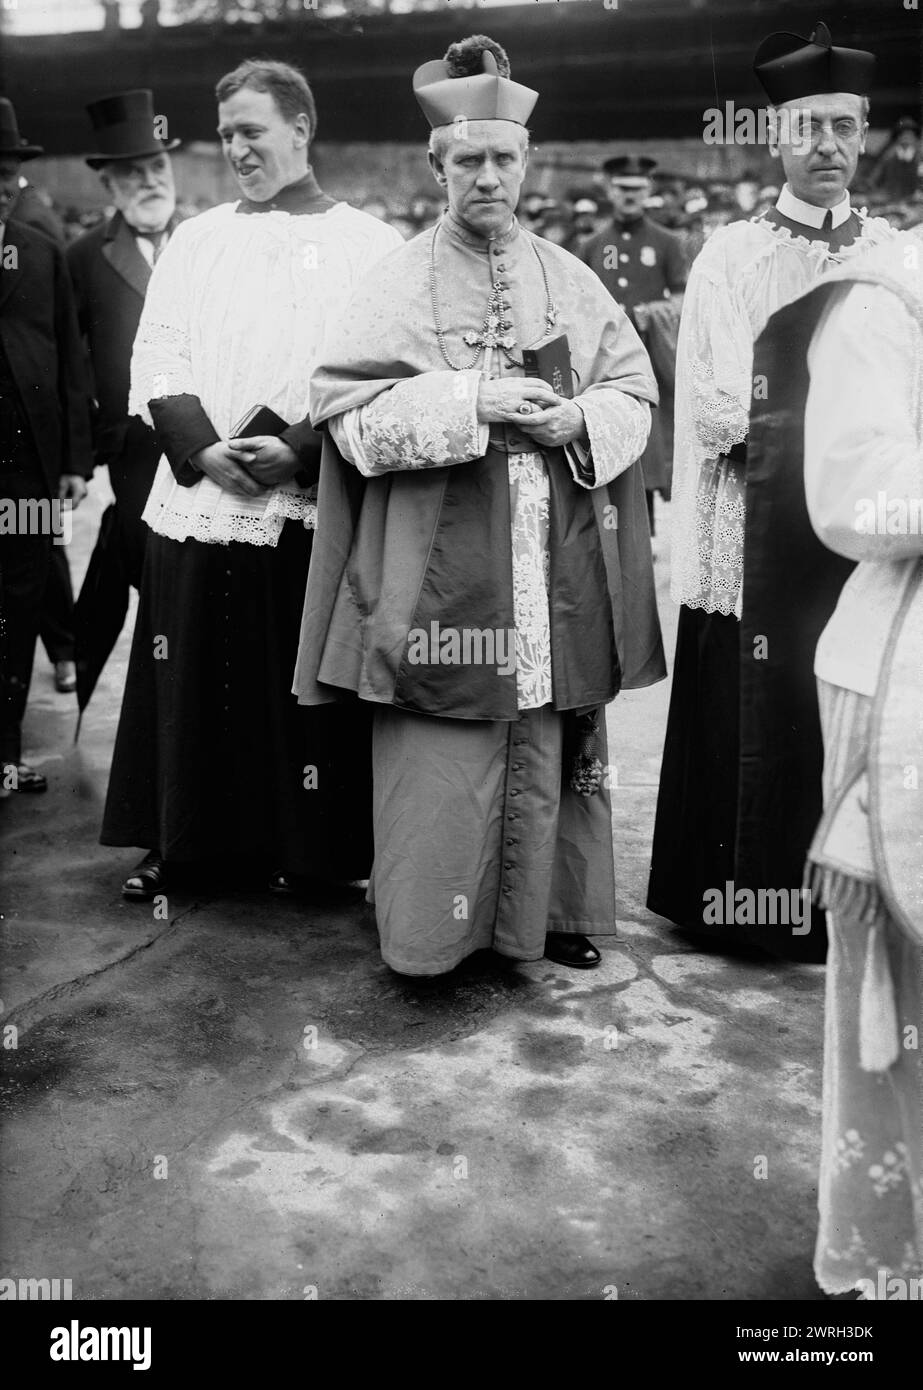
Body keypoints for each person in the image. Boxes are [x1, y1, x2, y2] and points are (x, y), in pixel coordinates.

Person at [294, 35, 664, 978]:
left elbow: (636, 394)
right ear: (437, 166)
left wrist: (576, 417)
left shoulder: (570, 277)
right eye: (469, 160)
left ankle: (552, 912)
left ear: (527, 162)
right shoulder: (392, 281)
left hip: (552, 561)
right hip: (439, 573)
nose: (487, 177)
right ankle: (433, 934)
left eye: (503, 158)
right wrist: (472, 402)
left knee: (551, 728)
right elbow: (346, 420)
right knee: (443, 749)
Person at [100, 60, 401, 899]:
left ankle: (306, 852)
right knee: (189, 669)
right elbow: (157, 350)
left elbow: (380, 374)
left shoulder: (369, 245)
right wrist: (198, 448)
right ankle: (181, 843)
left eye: (252, 131)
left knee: (293, 686)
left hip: (303, 494)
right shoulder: (198, 239)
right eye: (226, 133)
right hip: (201, 494)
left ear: (300, 130)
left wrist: (302, 448)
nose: (235, 148)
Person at [647, 22, 894, 957]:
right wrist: (833, 436)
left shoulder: (894, 255)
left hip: (852, 527)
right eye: (808, 129)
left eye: (843, 126)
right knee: (752, 701)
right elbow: (712, 406)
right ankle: (735, 903)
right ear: (774, 139)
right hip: (747, 523)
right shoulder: (730, 255)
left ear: (864, 133)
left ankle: (845, 912)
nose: (826, 146)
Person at [748, 232, 923, 1293]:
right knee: (899, 999)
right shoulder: (885, 294)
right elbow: (853, 496)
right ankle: (892, 1248)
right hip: (899, 665)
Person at [0, 99, 93, 792]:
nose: (4, 185)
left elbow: (70, 362)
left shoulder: (41, 254)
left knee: (20, 603)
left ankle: (5, 754)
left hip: (28, 476)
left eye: (8, 173)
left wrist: (71, 461)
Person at [67, 90, 185, 599]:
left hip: (210, 437)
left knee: (199, 570)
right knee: (148, 568)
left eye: (157, 165)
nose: (150, 181)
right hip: (132, 447)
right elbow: (67, 364)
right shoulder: (83, 255)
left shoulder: (205, 241)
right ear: (110, 184)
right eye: (133, 172)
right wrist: (79, 451)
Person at [580, 155, 687, 534]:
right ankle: (615, 531)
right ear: (609, 190)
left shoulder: (667, 242)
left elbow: (681, 299)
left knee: (650, 445)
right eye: (623, 189)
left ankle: (646, 533)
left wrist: (653, 312)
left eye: (637, 190)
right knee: (611, 437)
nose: (630, 197)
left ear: (649, 191)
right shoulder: (592, 245)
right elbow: (578, 303)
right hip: (606, 365)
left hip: (649, 361)